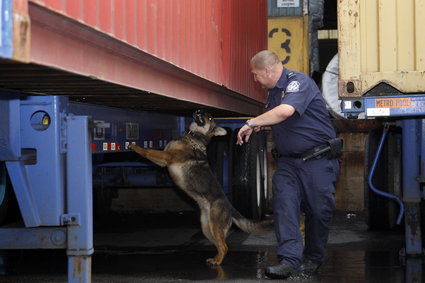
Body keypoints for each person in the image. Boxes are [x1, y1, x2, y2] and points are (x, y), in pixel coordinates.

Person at [237, 50, 341, 279]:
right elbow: (284, 119)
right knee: (284, 207)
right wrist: (262, 126)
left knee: (318, 211)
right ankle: (289, 261)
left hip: (317, 161)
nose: (254, 79)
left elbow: (285, 112)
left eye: (255, 74)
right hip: (288, 163)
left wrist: (251, 122)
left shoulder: (298, 82)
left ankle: (313, 258)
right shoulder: (274, 92)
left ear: (267, 70)